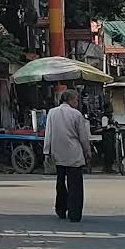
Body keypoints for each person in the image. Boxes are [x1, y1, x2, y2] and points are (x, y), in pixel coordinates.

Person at [44, 88, 92, 223]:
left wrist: (46, 151)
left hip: (58, 153)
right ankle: (74, 213)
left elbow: (48, 133)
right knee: (75, 185)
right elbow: (83, 137)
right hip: (74, 154)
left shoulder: (52, 113)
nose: (77, 102)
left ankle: (61, 209)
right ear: (70, 100)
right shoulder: (76, 114)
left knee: (60, 183)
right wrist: (87, 152)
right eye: (76, 100)